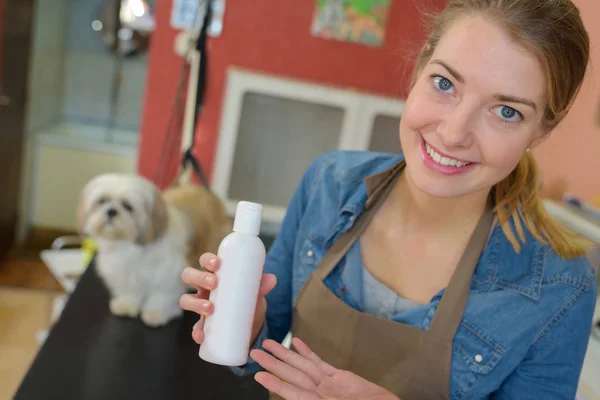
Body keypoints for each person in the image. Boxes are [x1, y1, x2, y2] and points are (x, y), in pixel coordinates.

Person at [180, 0, 599, 398]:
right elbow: (265, 337)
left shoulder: (561, 286)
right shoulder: (329, 183)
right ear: (418, 70)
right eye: (444, 83)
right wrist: (245, 326)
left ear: (541, 131)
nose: (454, 133)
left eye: (507, 111)